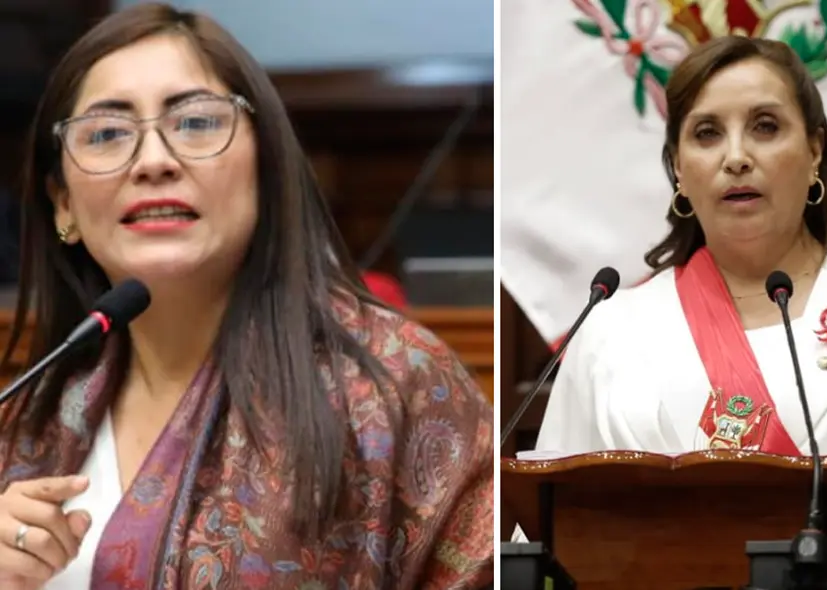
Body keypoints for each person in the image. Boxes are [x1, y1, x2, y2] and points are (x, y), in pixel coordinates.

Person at [0, 4, 493, 589]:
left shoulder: (396, 381)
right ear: (64, 205)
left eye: (197, 123)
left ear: (264, 168)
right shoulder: (27, 420)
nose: (154, 161)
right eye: (107, 134)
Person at [532, 36, 827, 461]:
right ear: (679, 171)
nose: (736, 157)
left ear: (814, 152)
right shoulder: (608, 332)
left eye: (765, 127)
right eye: (707, 133)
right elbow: (545, 530)